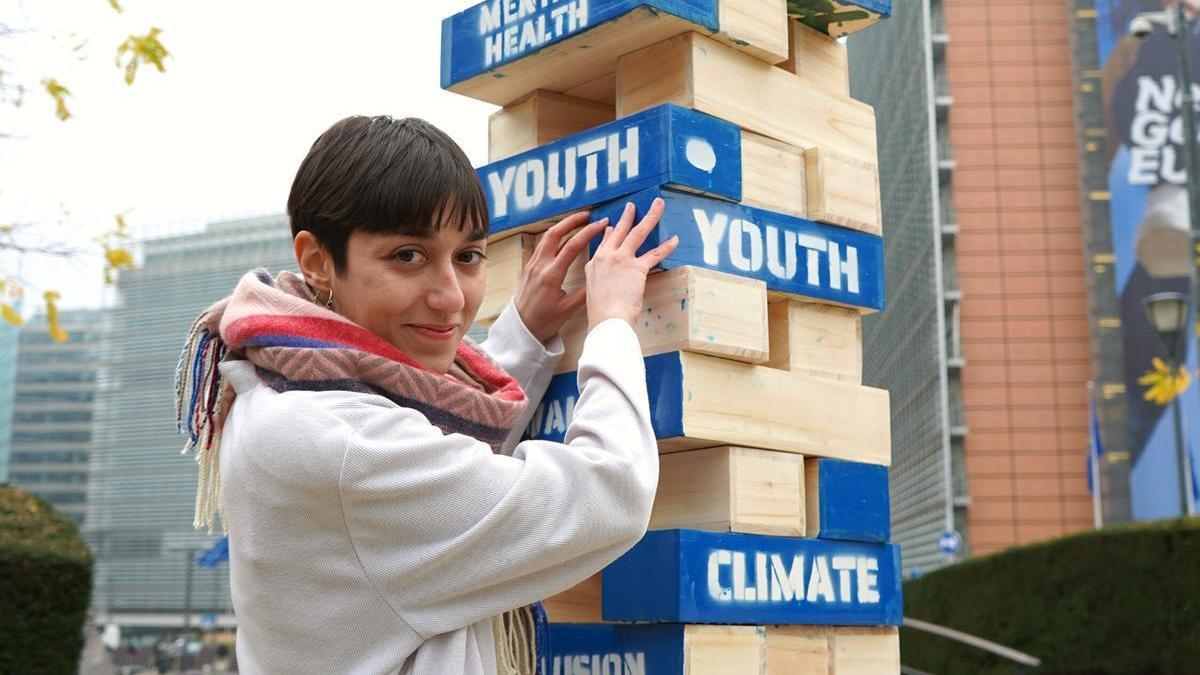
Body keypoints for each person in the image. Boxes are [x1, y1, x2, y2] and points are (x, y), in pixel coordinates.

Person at [174, 115, 678, 675]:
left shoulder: (285, 377)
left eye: (468, 257)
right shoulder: (339, 443)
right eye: (407, 256)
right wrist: (611, 324)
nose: (450, 298)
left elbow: (429, 443)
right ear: (317, 261)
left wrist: (526, 335)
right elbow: (610, 493)